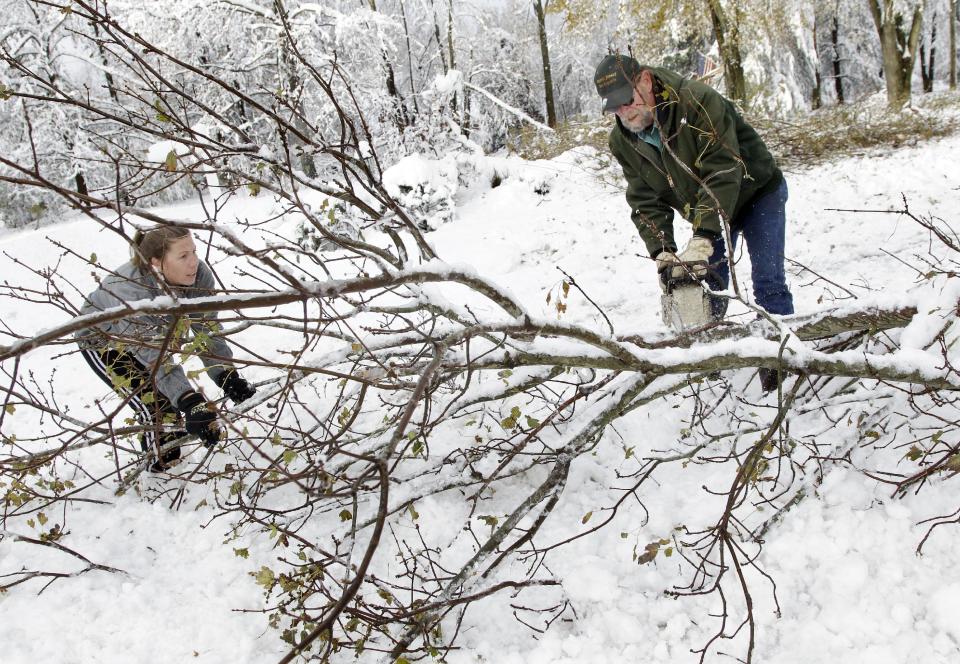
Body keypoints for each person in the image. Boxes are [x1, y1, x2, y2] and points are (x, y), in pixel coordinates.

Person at [595, 53, 794, 390]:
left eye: (628, 100)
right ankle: (710, 360)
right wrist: (662, 249)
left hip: (757, 191)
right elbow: (644, 198)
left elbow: (723, 169)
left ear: (645, 80)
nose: (625, 112)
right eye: (615, 107)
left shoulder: (697, 103)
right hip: (707, 208)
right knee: (706, 283)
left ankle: (781, 364)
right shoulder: (623, 140)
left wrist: (703, 235)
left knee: (767, 281)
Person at [76, 226, 256, 471]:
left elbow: (207, 329)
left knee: (171, 399)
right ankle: (159, 476)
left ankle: (173, 466)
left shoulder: (198, 275)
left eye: (194, 251)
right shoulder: (132, 294)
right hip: (105, 341)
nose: (194, 262)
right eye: (183, 256)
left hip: (153, 337)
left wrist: (226, 376)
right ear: (156, 263)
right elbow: (155, 358)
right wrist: (190, 401)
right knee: (158, 407)